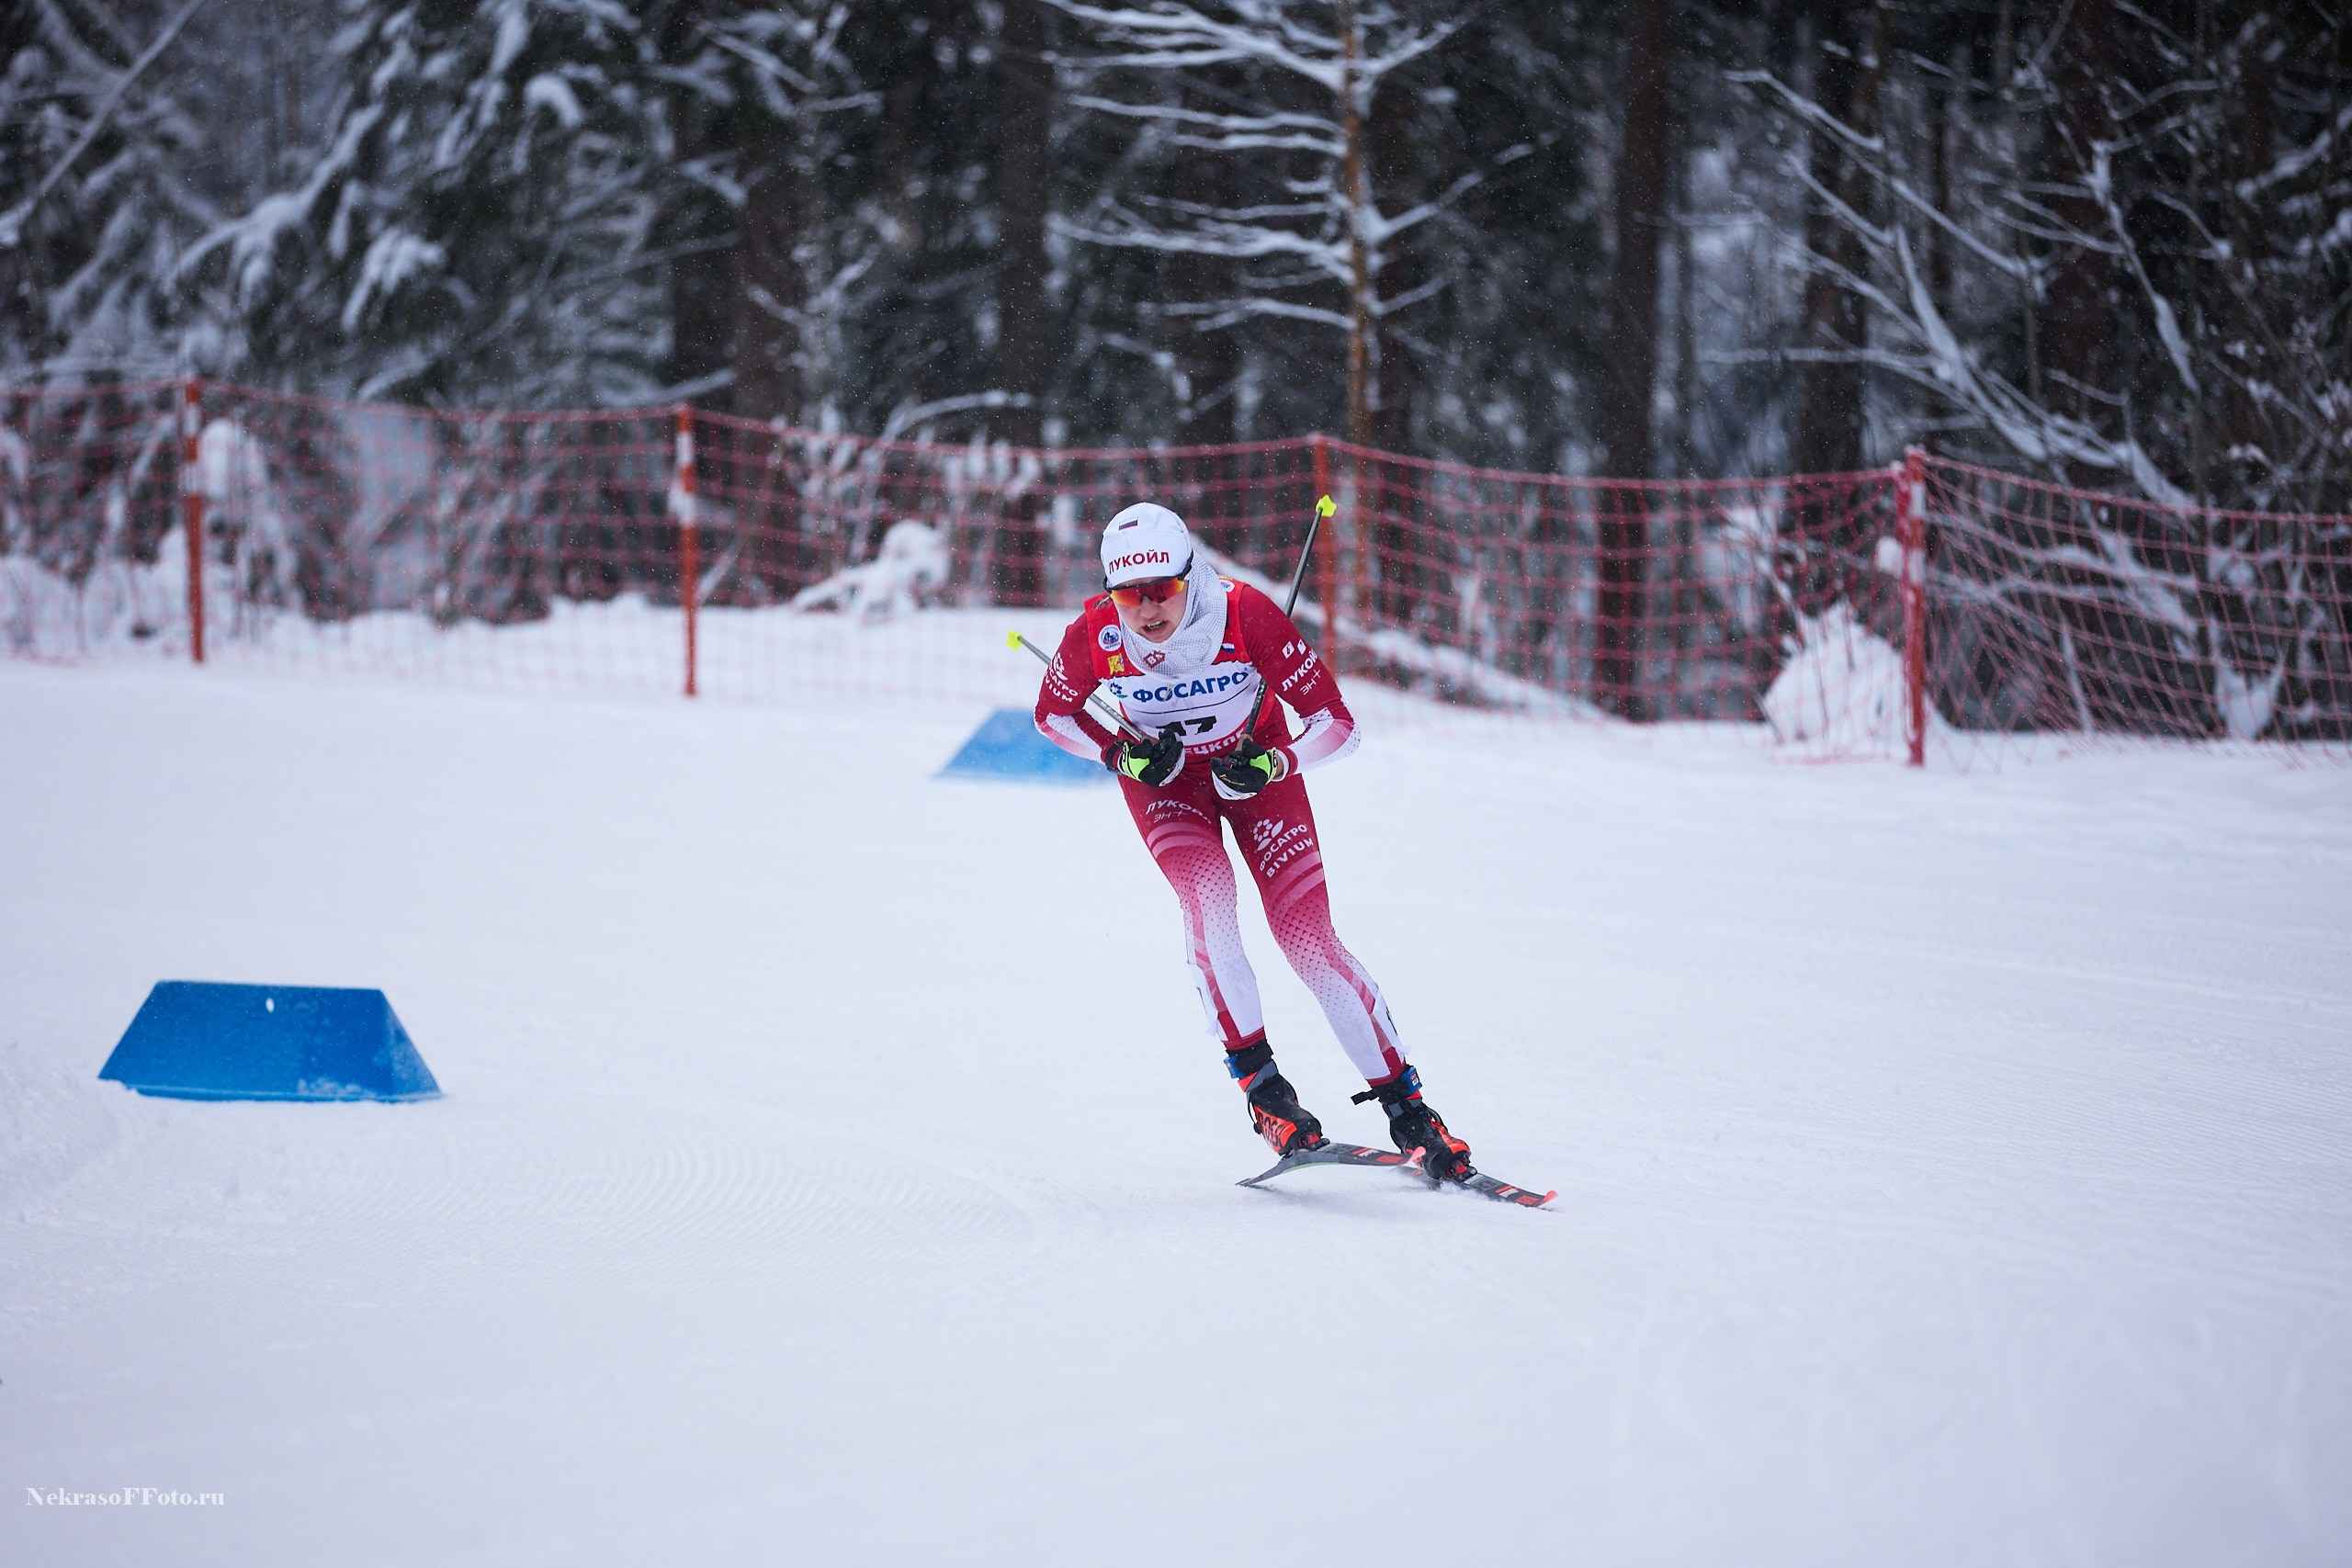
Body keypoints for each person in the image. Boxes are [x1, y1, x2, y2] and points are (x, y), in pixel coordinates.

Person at [1031, 502, 1475, 1179]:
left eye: (1163, 591)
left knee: (1309, 941)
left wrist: (1278, 761)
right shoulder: (1094, 634)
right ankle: (1268, 1096)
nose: (1147, 611)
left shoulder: (1245, 613)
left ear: (1189, 576)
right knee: (1210, 902)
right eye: (1130, 594)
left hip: (1258, 769)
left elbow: (1339, 724)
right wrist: (1121, 755)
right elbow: (1052, 716)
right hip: (1169, 786)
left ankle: (1411, 1110)